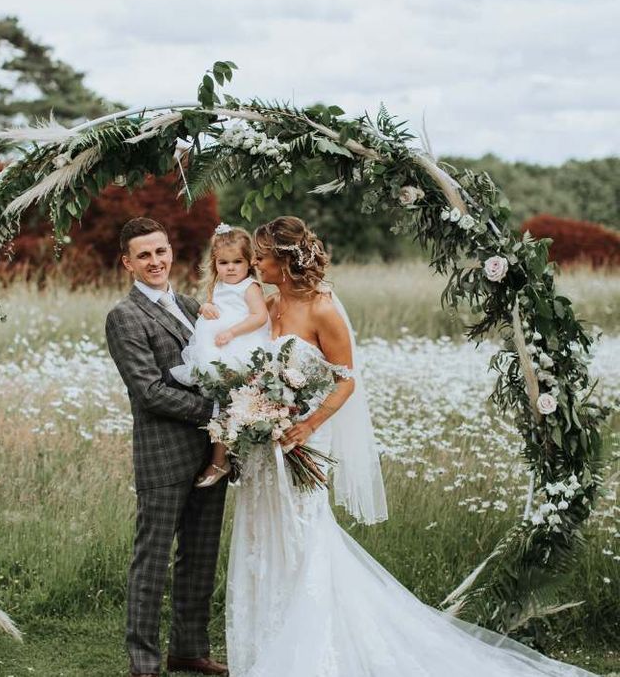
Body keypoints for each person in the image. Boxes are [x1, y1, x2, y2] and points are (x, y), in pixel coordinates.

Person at [224, 215, 596, 677]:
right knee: (263, 535)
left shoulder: (323, 310)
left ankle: (309, 652)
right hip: (266, 444)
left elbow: (345, 382)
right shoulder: (270, 303)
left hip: (303, 439)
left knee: (302, 537)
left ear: (284, 259)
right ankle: (266, 642)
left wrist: (306, 424)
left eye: (261, 256)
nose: (255, 263)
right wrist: (252, 409)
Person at [105, 217, 228, 677]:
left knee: (200, 554)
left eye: (160, 251)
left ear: (170, 251)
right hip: (163, 452)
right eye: (143, 255)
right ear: (127, 263)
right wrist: (215, 413)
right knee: (152, 559)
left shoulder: (194, 305)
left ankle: (189, 650)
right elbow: (149, 391)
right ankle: (143, 662)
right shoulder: (125, 316)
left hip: (211, 453)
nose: (154, 261)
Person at [170, 223, 271, 488]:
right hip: (215, 350)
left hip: (240, 347)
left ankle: (221, 460)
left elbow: (260, 317)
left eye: (237, 261)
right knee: (219, 404)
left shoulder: (250, 287)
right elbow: (214, 307)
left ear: (249, 262)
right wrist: (206, 307)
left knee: (229, 404)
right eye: (224, 262)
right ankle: (221, 456)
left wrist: (232, 332)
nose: (231, 268)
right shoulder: (218, 285)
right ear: (215, 263)